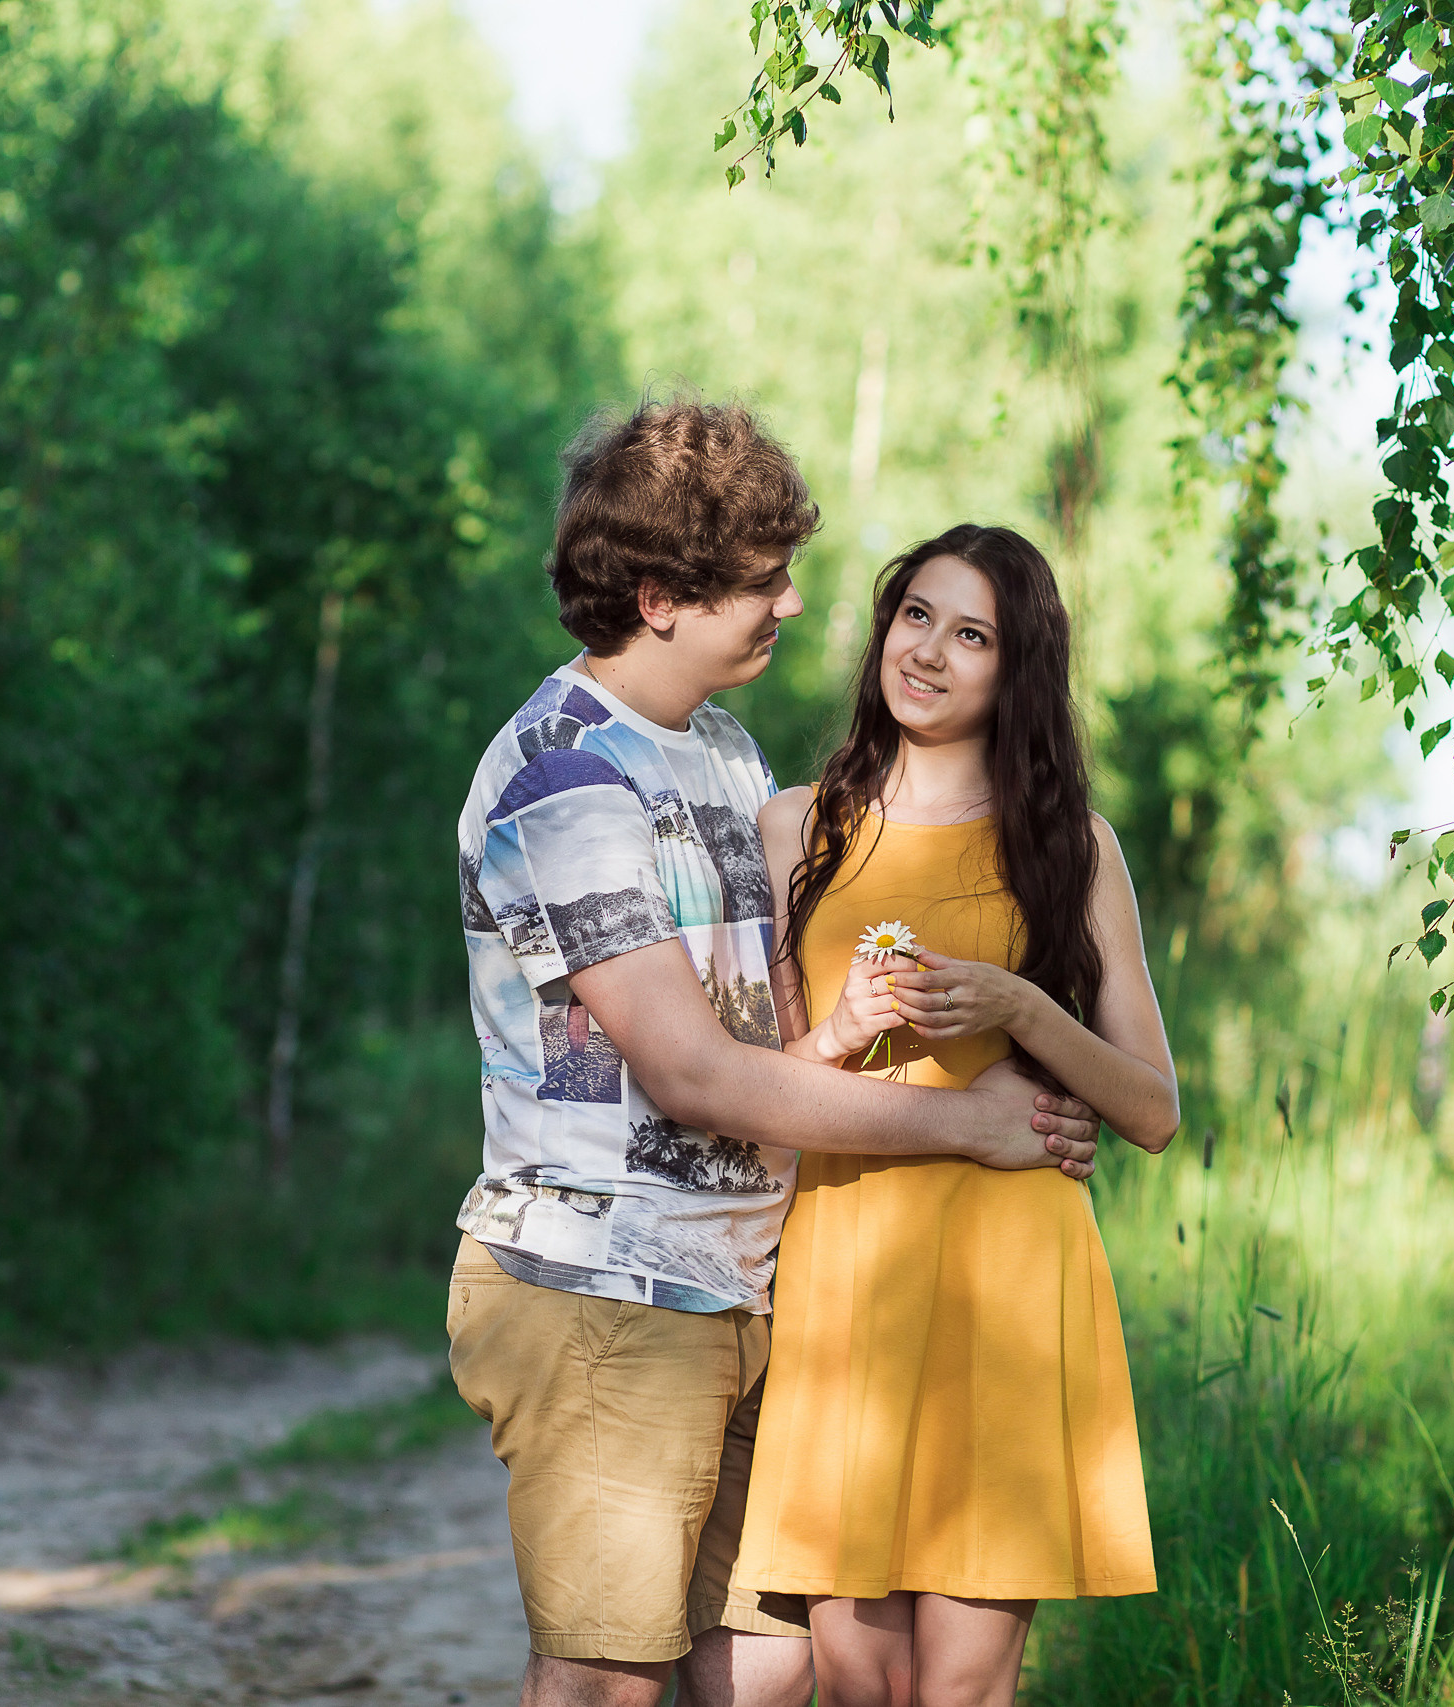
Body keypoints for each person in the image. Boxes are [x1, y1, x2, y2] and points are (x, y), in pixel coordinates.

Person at [450, 405, 1107, 1707]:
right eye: (763, 581)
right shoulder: (566, 777)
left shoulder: (719, 751)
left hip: (743, 1288)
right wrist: (971, 1124)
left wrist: (844, 1038)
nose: (794, 605)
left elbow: (746, 1058)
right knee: (605, 1677)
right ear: (661, 599)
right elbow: (689, 1076)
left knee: (762, 1673)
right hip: (608, 1286)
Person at [732, 524, 1177, 1707]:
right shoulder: (796, 827)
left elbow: (1151, 1109)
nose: (926, 651)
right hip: (846, 1279)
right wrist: (839, 1031)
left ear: (1015, 668)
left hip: (1010, 1283)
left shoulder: (1071, 847)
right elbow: (767, 1097)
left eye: (970, 634)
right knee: (858, 1683)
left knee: (961, 1694)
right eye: (915, 615)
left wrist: (1021, 1006)